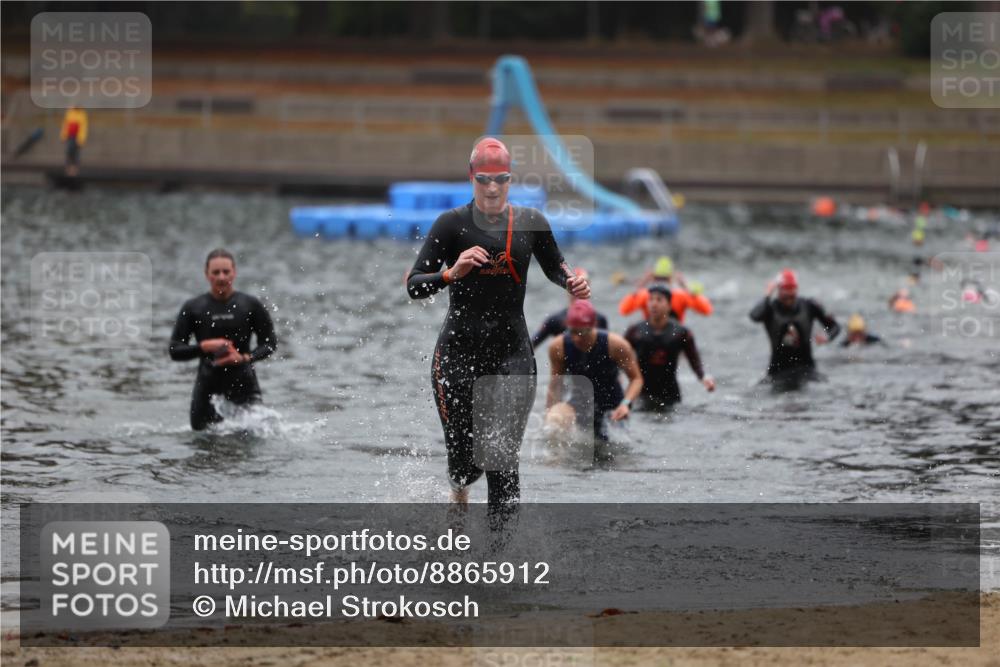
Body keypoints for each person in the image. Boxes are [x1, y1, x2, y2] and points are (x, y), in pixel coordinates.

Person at [406, 137, 590, 507]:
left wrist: (571, 280)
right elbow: (414, 286)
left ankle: (501, 543)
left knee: (501, 454)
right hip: (458, 354)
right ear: (471, 177)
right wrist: (451, 274)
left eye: (501, 179)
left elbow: (556, 265)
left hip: (511, 353)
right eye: (484, 179)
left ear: (510, 179)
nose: (492, 187)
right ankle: (459, 491)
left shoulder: (531, 222)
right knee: (465, 463)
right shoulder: (451, 224)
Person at [169, 249, 277, 431]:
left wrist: (244, 358)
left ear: (234, 273)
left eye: (226, 272)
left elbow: (270, 344)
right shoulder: (193, 308)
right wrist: (203, 347)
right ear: (207, 274)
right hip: (207, 386)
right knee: (202, 439)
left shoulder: (250, 305)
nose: (221, 277)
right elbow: (175, 350)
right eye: (216, 272)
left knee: (253, 437)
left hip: (244, 384)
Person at [545, 300, 643, 456]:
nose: (577, 338)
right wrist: (549, 411)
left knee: (613, 452)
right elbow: (555, 385)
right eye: (572, 331)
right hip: (580, 401)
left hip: (613, 406)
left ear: (593, 326)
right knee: (555, 420)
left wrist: (626, 404)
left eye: (582, 332)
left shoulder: (616, 345)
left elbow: (636, 379)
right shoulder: (558, 346)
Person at [625, 285, 715, 410]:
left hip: (670, 393)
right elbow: (620, 356)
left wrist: (703, 377)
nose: (654, 304)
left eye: (659, 300)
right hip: (641, 393)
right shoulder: (635, 330)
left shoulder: (681, 332)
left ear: (669, 305)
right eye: (650, 300)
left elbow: (693, 358)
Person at [749, 269, 840, 387]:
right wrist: (767, 295)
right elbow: (754, 316)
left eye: (792, 289)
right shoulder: (770, 309)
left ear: (796, 289)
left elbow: (834, 327)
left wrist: (827, 337)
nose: (789, 294)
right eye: (785, 289)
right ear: (779, 290)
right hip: (778, 372)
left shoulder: (809, 305)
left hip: (807, 370)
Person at [618, 256, 712, 323]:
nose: (655, 303)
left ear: (653, 277)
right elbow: (707, 310)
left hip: (650, 337)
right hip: (675, 338)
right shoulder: (681, 295)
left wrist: (640, 285)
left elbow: (623, 310)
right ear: (671, 278)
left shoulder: (645, 295)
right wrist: (686, 288)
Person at [531, 268, 608, 348]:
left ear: (588, 287)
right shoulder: (554, 320)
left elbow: (606, 348)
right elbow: (532, 344)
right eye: (574, 286)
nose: (578, 290)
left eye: (582, 286)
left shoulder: (600, 319)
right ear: (567, 288)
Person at [60, 106, 88, 177]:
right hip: (70, 136)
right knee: (69, 151)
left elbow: (83, 127)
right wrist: (63, 135)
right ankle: (68, 168)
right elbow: (65, 125)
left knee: (76, 153)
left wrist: (81, 139)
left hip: (77, 136)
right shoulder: (69, 112)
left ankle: (75, 169)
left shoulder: (82, 114)